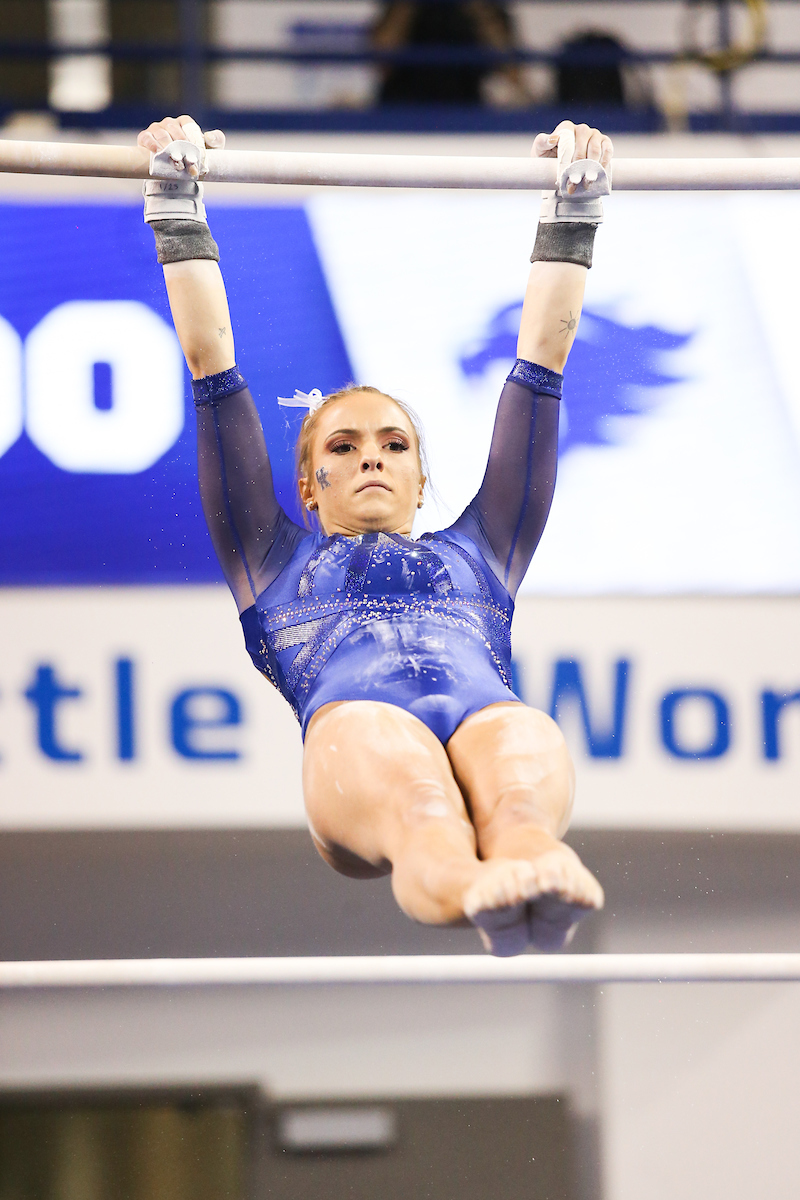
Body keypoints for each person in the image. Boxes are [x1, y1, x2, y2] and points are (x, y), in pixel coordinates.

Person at [137, 116, 611, 956]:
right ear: (307, 487)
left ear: (423, 479)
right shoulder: (273, 561)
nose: (372, 460)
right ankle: (477, 893)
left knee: (518, 757)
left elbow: (542, 363)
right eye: (344, 448)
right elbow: (212, 364)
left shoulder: (483, 551)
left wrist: (573, 212)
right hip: (357, 750)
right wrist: (177, 203)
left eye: (395, 445)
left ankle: (532, 860)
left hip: (480, 717)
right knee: (421, 795)